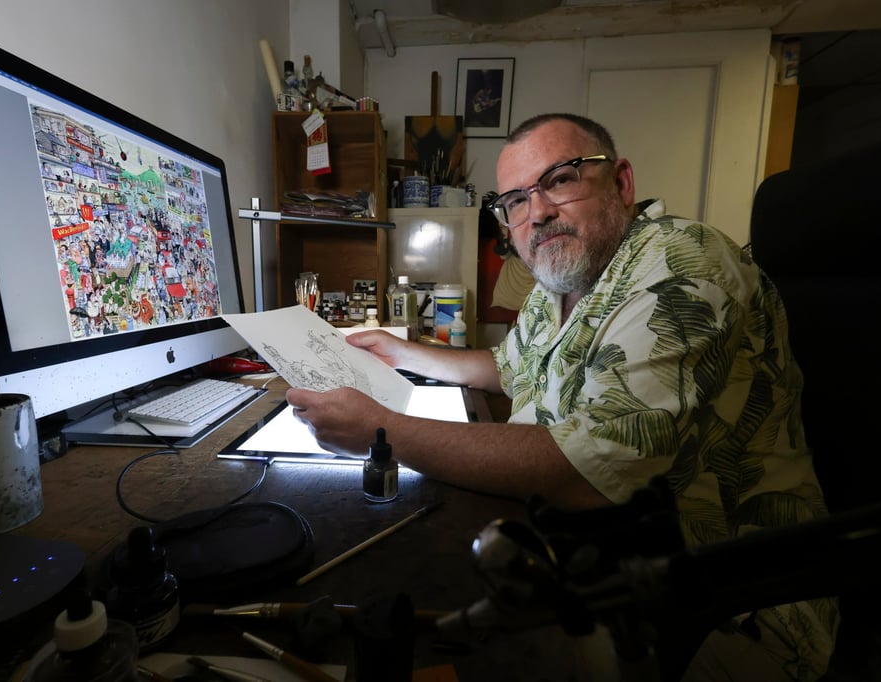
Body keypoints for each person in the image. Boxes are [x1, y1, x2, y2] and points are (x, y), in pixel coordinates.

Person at [286, 113, 835, 680]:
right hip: (590, 564)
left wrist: (384, 431)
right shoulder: (564, 282)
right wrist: (404, 353)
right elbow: (508, 368)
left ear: (621, 183)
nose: (538, 212)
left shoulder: (683, 265)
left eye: (561, 180)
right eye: (516, 200)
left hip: (720, 608)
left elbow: (586, 472)